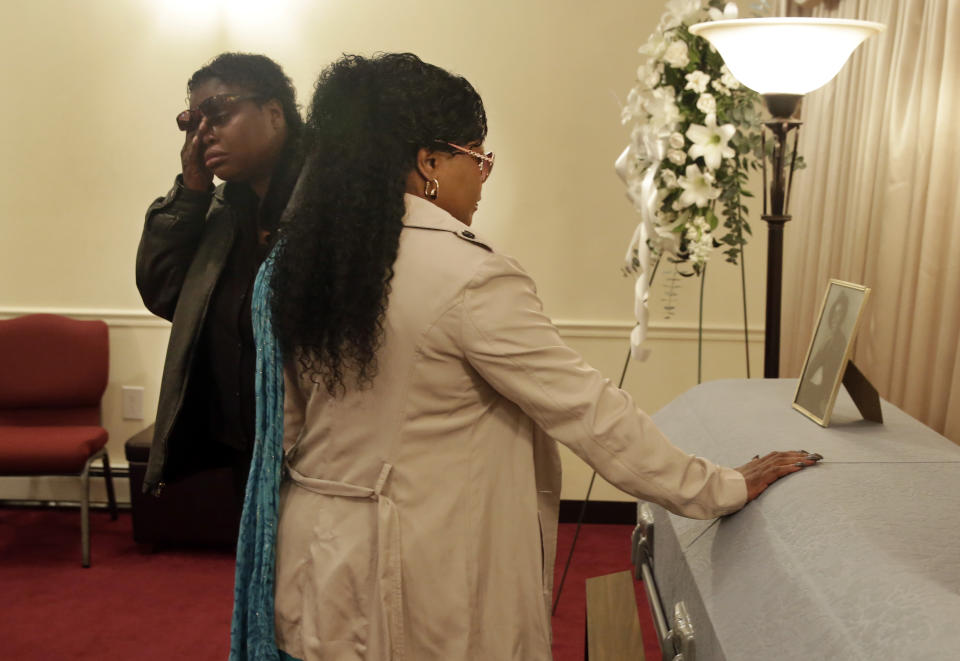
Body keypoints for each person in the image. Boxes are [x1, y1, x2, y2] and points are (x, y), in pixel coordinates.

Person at [237, 53, 821, 661]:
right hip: (416, 570)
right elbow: (589, 412)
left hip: (312, 552)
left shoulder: (298, 265)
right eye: (477, 156)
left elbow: (288, 429)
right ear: (428, 162)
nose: (482, 178)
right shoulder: (468, 276)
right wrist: (719, 488)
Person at [136, 52, 303, 505]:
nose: (202, 133)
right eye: (193, 122)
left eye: (219, 114)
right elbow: (164, 293)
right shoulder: (222, 214)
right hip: (243, 445)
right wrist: (191, 191)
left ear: (274, 113)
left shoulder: (327, 207)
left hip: (314, 448)